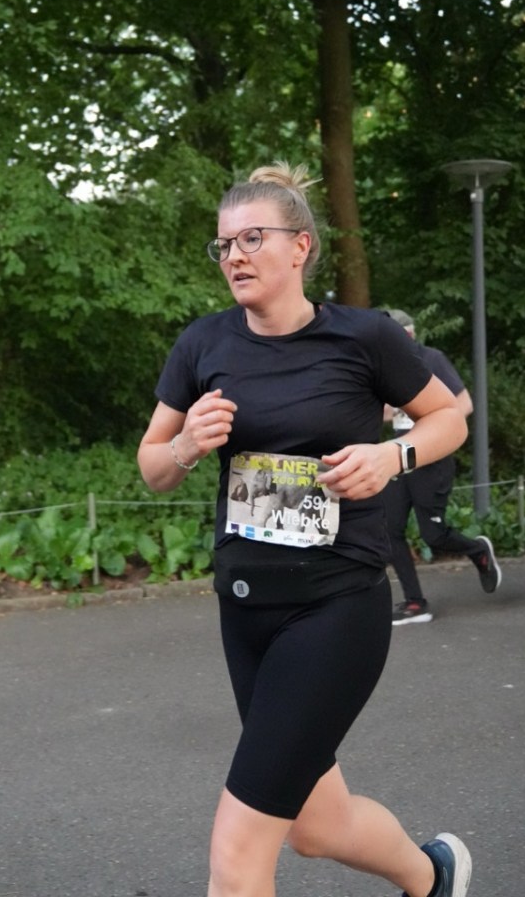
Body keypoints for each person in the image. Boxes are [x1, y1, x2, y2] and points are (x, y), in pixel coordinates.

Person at [138, 162, 473, 897]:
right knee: (316, 827)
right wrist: (187, 444)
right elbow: (152, 465)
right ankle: (433, 877)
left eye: (252, 238)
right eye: (224, 245)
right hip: (245, 609)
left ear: (301, 247)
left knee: (237, 854)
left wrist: (391, 456)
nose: (234, 256)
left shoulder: (364, 337)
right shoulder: (202, 344)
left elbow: (450, 417)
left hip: (336, 605)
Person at [380, 311, 501, 626]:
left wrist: (429, 425)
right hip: (399, 455)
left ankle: (477, 550)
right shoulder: (385, 365)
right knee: (390, 530)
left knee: (433, 535)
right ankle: (415, 602)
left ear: (408, 335)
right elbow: (386, 413)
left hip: (431, 457)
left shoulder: (431, 359)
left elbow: (464, 404)